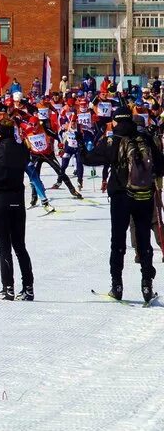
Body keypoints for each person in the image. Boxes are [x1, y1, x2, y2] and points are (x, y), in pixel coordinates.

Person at [87, 111, 164, 302]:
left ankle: (117, 284)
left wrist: (82, 144)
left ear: (115, 122)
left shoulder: (113, 140)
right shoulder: (145, 138)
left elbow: (89, 159)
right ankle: (147, 284)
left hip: (121, 196)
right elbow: (161, 166)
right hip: (144, 194)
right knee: (144, 240)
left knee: (118, 241)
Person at [0, 115, 34, 301]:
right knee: (20, 246)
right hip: (17, 202)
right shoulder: (21, 150)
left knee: (5, 247)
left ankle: (8, 288)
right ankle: (28, 287)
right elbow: (26, 157)